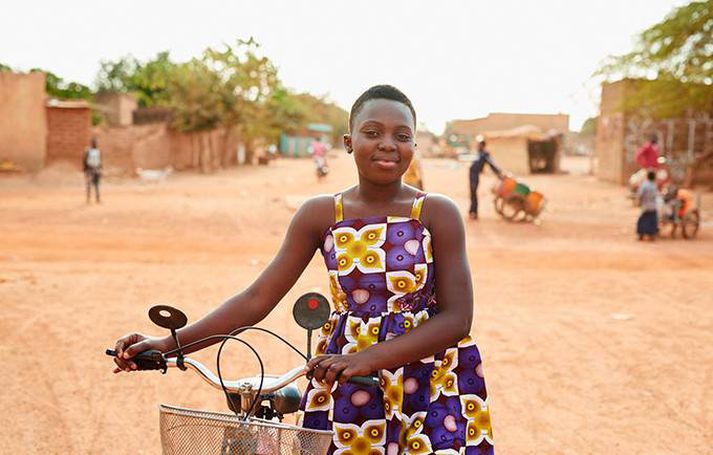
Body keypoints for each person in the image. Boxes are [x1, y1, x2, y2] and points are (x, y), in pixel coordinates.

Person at [111, 85, 494, 454]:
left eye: (402, 135)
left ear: (414, 145)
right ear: (348, 142)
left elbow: (458, 318)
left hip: (430, 384)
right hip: (349, 383)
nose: (387, 144)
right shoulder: (321, 214)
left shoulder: (436, 213)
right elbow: (256, 299)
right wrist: (168, 345)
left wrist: (370, 357)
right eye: (372, 132)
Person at [469, 136, 501, 220]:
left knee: (474, 193)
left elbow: (492, 164)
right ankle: (472, 210)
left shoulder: (484, 154)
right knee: (472, 193)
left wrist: (498, 172)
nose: (478, 146)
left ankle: (474, 212)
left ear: (482, 145)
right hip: (472, 175)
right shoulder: (479, 153)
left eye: (479, 144)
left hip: (475, 175)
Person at [637, 170, 659, 241]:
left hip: (645, 206)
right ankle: (651, 235)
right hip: (653, 206)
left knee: (643, 220)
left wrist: (639, 202)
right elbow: (656, 195)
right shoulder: (654, 185)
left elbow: (640, 195)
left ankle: (641, 235)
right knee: (652, 221)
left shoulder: (644, 185)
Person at [83, 138, 102, 204]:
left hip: (96, 168)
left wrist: (100, 169)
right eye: (94, 143)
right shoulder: (88, 151)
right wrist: (85, 169)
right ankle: (88, 198)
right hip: (90, 169)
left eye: (96, 143)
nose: (95, 144)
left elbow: (100, 161)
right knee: (89, 184)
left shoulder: (98, 151)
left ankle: (97, 198)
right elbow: (85, 160)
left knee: (97, 184)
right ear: (91, 143)